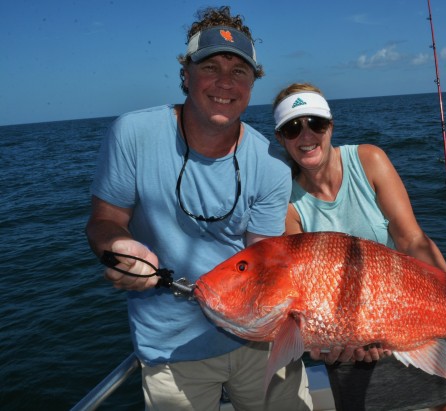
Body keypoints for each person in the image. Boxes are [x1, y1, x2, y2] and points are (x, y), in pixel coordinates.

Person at [85, 7, 312, 411]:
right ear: (185, 74)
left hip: (259, 342)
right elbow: (105, 221)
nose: (225, 82)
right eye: (211, 66)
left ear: (253, 84)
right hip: (171, 349)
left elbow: (264, 261)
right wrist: (118, 249)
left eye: (239, 71)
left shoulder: (274, 167)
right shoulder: (132, 134)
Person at [272, 83, 446, 411]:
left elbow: (411, 239)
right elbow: (300, 291)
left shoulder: (369, 160)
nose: (306, 136)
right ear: (280, 138)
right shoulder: (287, 204)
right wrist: (326, 341)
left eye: (315, 124)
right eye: (292, 128)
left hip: (412, 310)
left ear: (330, 126)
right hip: (347, 338)